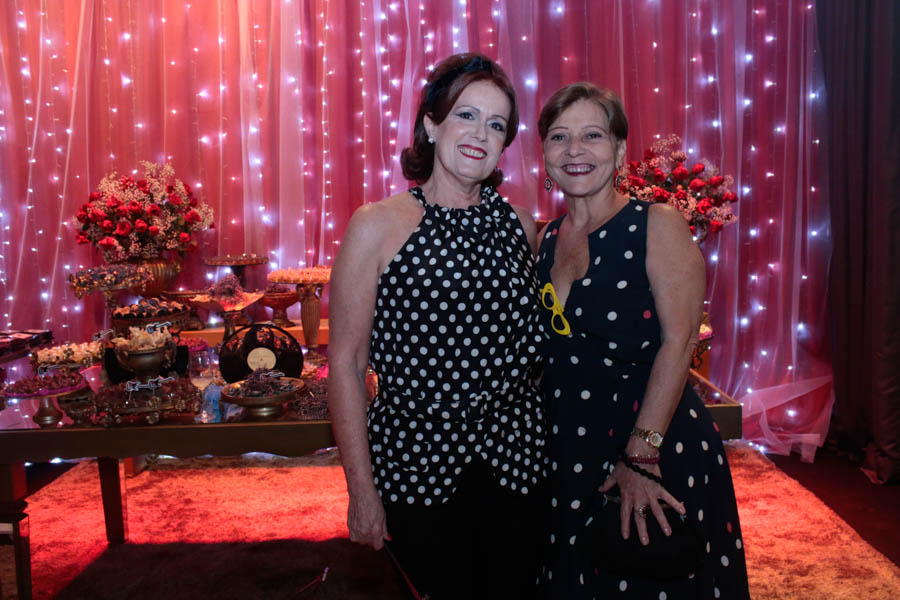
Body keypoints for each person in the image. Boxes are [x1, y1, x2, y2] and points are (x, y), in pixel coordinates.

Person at [328, 52, 548, 599]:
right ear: (431, 123)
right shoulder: (376, 225)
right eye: (466, 115)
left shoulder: (520, 226)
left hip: (518, 456)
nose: (480, 134)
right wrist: (361, 489)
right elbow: (347, 365)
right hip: (415, 459)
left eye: (496, 124)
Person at [533, 82, 750, 598]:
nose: (574, 150)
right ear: (544, 155)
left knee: (651, 579)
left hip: (652, 440)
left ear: (619, 150)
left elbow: (680, 341)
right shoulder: (544, 239)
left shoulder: (656, 224)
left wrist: (641, 455)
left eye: (592, 135)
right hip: (568, 445)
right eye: (559, 137)